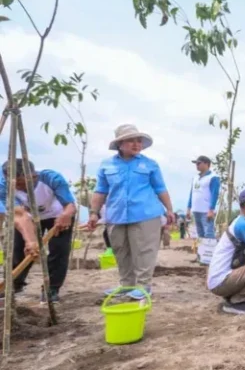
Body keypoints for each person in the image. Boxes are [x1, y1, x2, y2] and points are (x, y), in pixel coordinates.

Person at [88, 124, 175, 300]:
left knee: (144, 251)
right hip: (116, 215)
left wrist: (169, 209)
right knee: (121, 250)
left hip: (146, 214)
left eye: (139, 141)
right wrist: (94, 212)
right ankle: (126, 285)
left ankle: (144, 287)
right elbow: (100, 191)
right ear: (120, 144)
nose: (136, 144)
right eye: (131, 141)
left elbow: (160, 188)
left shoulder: (150, 164)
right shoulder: (107, 165)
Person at [0, 160, 76, 303]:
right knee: (18, 250)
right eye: (15, 185)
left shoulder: (51, 178)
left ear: (33, 176)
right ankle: (14, 285)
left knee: (59, 250)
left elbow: (70, 205)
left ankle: (51, 288)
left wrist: (66, 216)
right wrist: (30, 241)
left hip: (58, 215)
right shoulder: (4, 187)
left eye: (22, 184)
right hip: (28, 217)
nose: (19, 188)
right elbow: (19, 215)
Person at [186, 155, 220, 240]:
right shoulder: (195, 178)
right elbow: (192, 193)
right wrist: (188, 208)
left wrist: (211, 210)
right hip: (196, 209)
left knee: (208, 233)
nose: (197, 165)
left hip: (206, 211)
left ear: (207, 164)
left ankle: (210, 252)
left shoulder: (213, 177)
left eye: (199, 163)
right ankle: (202, 252)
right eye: (196, 164)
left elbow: (214, 194)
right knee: (200, 234)